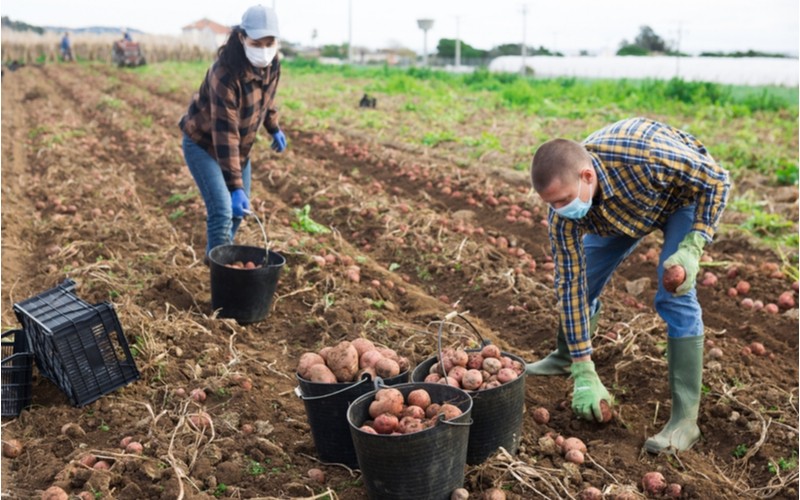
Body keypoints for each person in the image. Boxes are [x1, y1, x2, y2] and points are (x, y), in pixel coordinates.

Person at [526, 117, 730, 454]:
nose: (559, 210)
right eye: (551, 204)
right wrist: (584, 367)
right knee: (581, 282)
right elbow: (571, 285)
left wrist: (693, 245)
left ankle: (684, 421)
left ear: (586, 177)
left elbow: (716, 179)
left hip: (679, 200)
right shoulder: (565, 215)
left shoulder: (646, 156)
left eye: (563, 200)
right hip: (621, 212)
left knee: (674, 294)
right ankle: (568, 358)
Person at [179, 5, 286, 262]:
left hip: (239, 149)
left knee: (239, 212)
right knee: (223, 211)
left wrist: (273, 127)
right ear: (242, 37)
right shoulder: (224, 73)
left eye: (269, 43)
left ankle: (217, 259)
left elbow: (266, 101)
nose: (263, 49)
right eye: (256, 42)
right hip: (204, 145)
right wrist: (235, 187)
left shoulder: (272, 66)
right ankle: (219, 273)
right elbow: (225, 133)